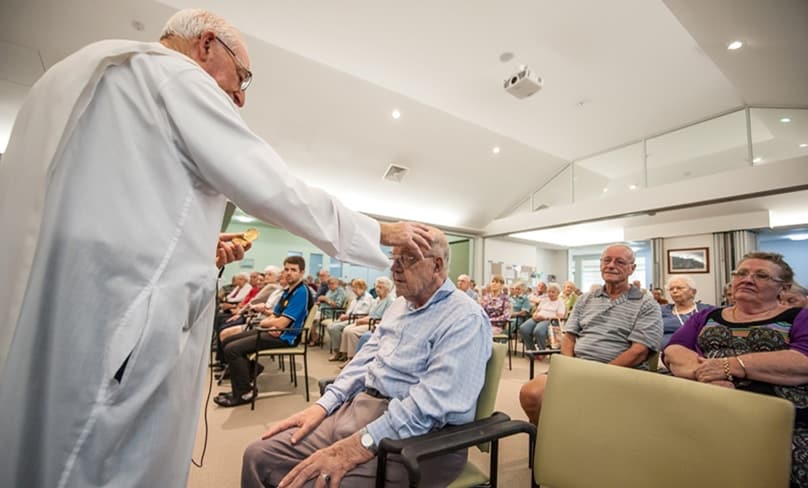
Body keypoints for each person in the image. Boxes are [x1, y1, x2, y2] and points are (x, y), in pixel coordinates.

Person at [0, 9, 435, 488]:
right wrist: (381, 233)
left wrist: (198, 245)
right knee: (102, 461)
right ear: (206, 45)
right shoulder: (174, 76)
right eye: (242, 75)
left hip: (64, 307)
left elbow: (120, 213)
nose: (240, 95)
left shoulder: (75, 78)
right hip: (121, 326)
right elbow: (276, 189)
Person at [241, 227, 492, 487]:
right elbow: (363, 361)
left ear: (437, 265)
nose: (394, 268)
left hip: (420, 441)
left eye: (406, 259)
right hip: (359, 411)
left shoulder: (464, 318)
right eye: (393, 259)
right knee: (257, 456)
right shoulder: (399, 306)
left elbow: (430, 407)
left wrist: (355, 446)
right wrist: (324, 405)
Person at [663, 252, 808, 488]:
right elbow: (673, 350)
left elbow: (802, 360)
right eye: (741, 273)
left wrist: (730, 366)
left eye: (761, 275)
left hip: (776, 421)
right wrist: (709, 377)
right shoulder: (706, 316)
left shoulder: (800, 318)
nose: (747, 279)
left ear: (784, 287)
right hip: (703, 407)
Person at [519, 244, 663, 424]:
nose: (611, 265)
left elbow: (639, 351)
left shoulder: (647, 305)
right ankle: (548, 441)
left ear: (632, 269)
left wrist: (597, 374)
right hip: (577, 367)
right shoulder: (586, 298)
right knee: (530, 393)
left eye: (619, 261)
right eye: (606, 260)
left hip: (619, 372)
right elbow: (569, 336)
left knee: (585, 402)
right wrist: (569, 366)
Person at [215, 256, 312, 407]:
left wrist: (267, 323)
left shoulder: (301, 292)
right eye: (286, 269)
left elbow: (281, 322)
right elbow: (275, 315)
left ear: (302, 273)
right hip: (275, 331)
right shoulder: (288, 291)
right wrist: (270, 323)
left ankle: (243, 393)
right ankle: (252, 370)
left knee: (232, 350)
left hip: (287, 337)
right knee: (228, 341)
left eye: (293, 270)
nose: (289, 273)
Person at [338, 277, 396, 363]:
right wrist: (361, 320)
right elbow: (370, 314)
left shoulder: (390, 301)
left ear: (387, 289)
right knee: (346, 329)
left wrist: (364, 321)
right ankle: (346, 356)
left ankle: (353, 358)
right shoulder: (377, 300)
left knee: (352, 332)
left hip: (374, 325)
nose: (377, 289)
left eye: (380, 287)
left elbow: (384, 320)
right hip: (369, 322)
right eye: (376, 287)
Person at [327, 279, 374, 362]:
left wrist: (347, 317)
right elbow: (350, 310)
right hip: (349, 317)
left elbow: (362, 313)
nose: (354, 290)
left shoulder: (368, 298)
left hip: (356, 319)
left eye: (356, 288)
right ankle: (340, 351)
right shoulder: (356, 298)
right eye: (353, 288)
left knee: (335, 328)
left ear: (362, 288)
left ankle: (337, 352)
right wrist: (345, 315)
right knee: (330, 326)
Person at [659, 275, 712, 348]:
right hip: (664, 353)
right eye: (671, 289)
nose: (674, 291)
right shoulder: (660, 310)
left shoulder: (706, 310)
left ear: (693, 292)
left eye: (679, 288)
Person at [519, 282, 567, 351]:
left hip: (549, 321)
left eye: (553, 292)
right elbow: (537, 310)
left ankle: (542, 350)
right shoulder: (544, 300)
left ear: (558, 293)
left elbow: (560, 317)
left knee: (538, 331)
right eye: (549, 292)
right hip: (537, 318)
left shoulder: (560, 302)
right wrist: (534, 315)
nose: (550, 294)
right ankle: (531, 349)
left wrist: (546, 318)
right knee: (523, 328)